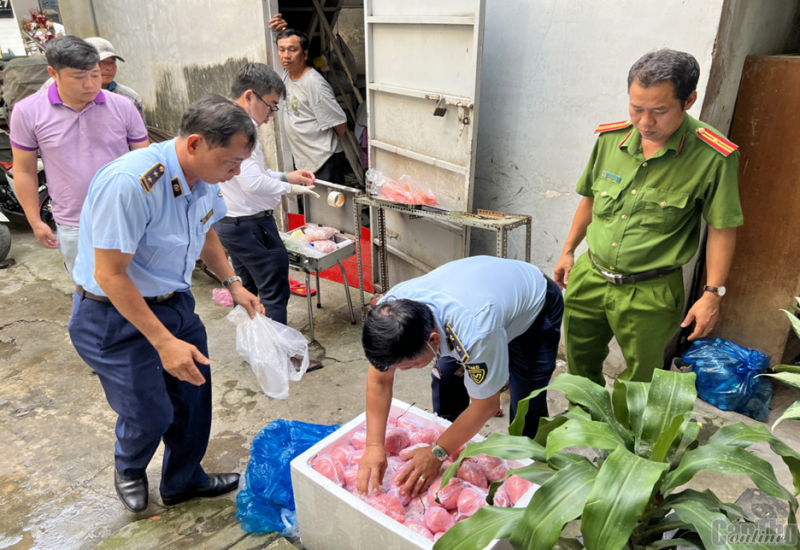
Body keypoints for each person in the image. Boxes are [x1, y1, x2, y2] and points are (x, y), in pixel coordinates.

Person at [68, 95, 265, 513]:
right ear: (195, 144)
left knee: (194, 397)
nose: (238, 171)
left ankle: (182, 480)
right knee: (149, 412)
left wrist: (234, 283)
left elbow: (206, 230)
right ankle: (129, 468)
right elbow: (110, 274)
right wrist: (162, 342)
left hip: (174, 302)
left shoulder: (204, 178)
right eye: (232, 161)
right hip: (114, 314)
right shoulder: (132, 183)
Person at [553, 49, 742, 390]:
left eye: (659, 111)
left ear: (689, 100)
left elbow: (722, 229)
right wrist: (569, 250)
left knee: (640, 381)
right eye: (636, 109)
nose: (645, 123)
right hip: (590, 276)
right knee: (578, 368)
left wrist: (712, 294)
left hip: (650, 292)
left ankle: (627, 443)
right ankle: (583, 429)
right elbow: (590, 198)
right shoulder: (611, 140)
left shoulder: (713, 156)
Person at [357, 256, 564, 498]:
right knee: (445, 377)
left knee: (527, 397)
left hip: (534, 306)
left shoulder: (474, 332)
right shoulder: (389, 315)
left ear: (433, 340)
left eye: (411, 364)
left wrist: (436, 453)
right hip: (485, 295)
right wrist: (373, 445)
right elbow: (379, 380)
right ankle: (453, 443)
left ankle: (534, 477)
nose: (400, 371)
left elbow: (487, 406)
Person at [10, 36, 149, 279]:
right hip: (74, 223)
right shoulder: (28, 111)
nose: (90, 84)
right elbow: (24, 170)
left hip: (126, 216)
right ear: (53, 73)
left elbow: (144, 160)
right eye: (78, 77)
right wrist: (35, 220)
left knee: (137, 286)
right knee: (89, 291)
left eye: (95, 75)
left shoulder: (123, 106)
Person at [214, 63, 319, 325]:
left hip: (230, 222)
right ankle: (281, 359)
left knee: (247, 290)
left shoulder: (222, 119)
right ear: (250, 96)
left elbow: (251, 174)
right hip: (250, 225)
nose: (272, 114)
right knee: (273, 293)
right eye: (271, 105)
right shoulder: (241, 129)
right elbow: (253, 183)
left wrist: (284, 176)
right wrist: (290, 188)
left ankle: (258, 352)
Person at [275, 28, 348, 182]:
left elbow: (340, 124)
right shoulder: (287, 75)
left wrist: (324, 148)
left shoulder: (313, 83)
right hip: (305, 162)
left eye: (292, 50)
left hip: (324, 162)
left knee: (329, 205)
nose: (286, 55)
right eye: (281, 50)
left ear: (305, 54)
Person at [40, 37, 146, 120]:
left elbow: (140, 139)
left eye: (112, 63)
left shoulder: (128, 98)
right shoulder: (51, 89)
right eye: (102, 63)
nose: (108, 68)